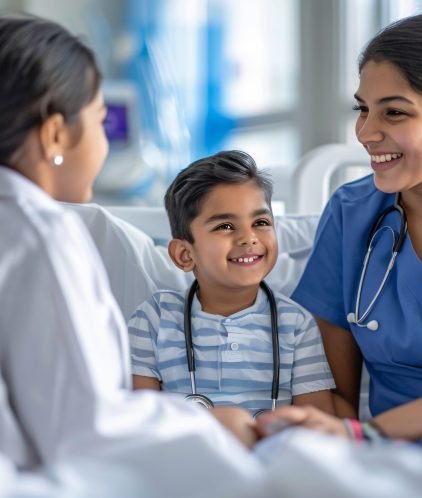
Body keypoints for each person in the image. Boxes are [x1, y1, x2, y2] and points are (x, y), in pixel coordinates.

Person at [0, 15, 264, 471]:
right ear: (56, 135)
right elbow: (88, 431)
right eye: (101, 120)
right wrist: (211, 425)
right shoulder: (38, 230)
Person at [256, 12, 422, 449]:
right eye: (362, 109)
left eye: (394, 112)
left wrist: (371, 433)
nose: (366, 133)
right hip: (385, 454)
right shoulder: (351, 214)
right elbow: (332, 393)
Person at [128, 150, 336, 416]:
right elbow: (142, 420)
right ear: (185, 254)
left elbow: (316, 425)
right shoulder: (154, 319)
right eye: (225, 226)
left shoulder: (296, 324)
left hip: (270, 453)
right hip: (184, 452)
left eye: (260, 222)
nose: (248, 238)